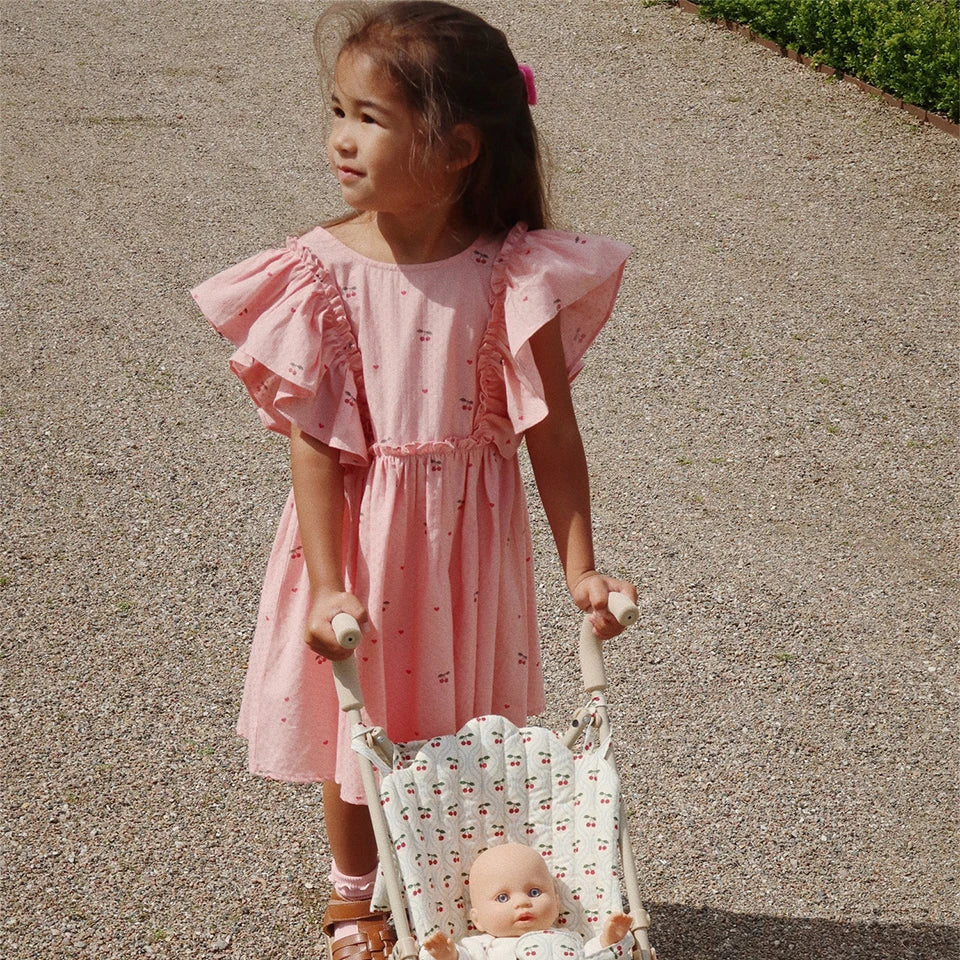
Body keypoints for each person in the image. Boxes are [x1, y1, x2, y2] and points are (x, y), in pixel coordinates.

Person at [192, 2, 637, 958]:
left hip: (470, 543)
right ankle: (355, 896)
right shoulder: (319, 273)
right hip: (364, 539)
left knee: (466, 727)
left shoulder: (514, 272)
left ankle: (452, 890)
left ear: (457, 146)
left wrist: (582, 568)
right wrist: (323, 580)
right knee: (364, 726)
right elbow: (317, 444)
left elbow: (552, 437)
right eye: (338, 111)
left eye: (370, 119)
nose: (339, 139)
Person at [422, 844, 633, 960]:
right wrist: (447, 956)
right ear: (478, 921)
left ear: (557, 905)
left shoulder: (568, 938)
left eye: (534, 892)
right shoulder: (481, 946)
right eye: (502, 898)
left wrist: (609, 940)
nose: (522, 902)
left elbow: (590, 956)